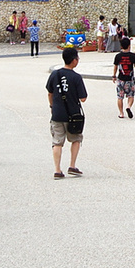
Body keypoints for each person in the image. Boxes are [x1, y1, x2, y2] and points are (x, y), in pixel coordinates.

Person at [47, 47, 87, 178]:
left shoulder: (55, 74)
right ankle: (72, 165)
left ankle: (57, 170)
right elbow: (83, 98)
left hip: (57, 113)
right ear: (74, 60)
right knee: (76, 139)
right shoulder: (76, 77)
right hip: (73, 115)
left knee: (57, 141)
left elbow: (50, 92)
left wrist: (52, 106)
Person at [113, 36, 135, 118]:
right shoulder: (133, 56)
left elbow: (115, 67)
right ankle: (128, 106)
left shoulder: (118, 56)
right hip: (130, 79)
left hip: (120, 79)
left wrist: (114, 76)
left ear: (121, 46)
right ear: (129, 45)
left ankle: (121, 113)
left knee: (120, 97)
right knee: (131, 95)